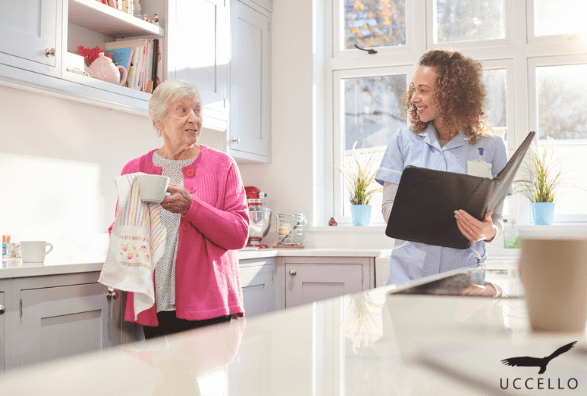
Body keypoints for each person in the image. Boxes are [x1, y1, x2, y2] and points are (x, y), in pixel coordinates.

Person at [112, 79, 249, 338]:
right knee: (163, 379)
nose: (193, 118)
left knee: (208, 375)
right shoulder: (134, 170)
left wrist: (191, 207)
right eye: (182, 110)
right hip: (155, 305)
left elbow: (239, 233)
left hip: (209, 306)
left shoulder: (223, 166)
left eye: (197, 110)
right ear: (158, 120)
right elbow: (120, 232)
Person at [376, 49, 506, 297]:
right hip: (408, 281)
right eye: (414, 89)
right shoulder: (404, 140)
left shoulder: (491, 146)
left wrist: (487, 231)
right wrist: (433, 221)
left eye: (423, 90)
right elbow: (388, 208)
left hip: (464, 285)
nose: (414, 98)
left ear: (452, 95)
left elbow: (496, 218)